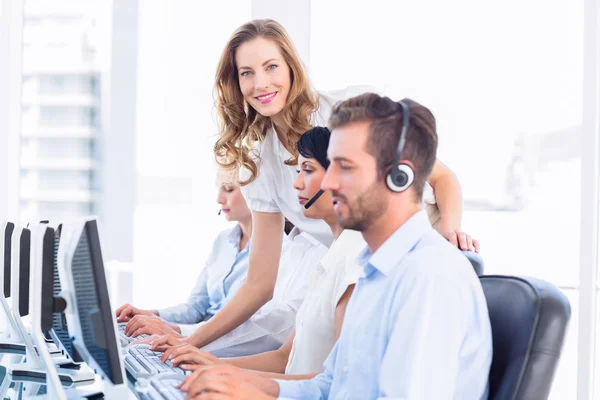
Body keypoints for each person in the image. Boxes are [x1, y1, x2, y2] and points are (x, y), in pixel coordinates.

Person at [167, 18, 477, 353]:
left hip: (417, 254)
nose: (261, 83)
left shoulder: (346, 112)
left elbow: (442, 177)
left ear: (291, 67)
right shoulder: (260, 164)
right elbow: (259, 284)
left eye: (271, 66)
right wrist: (188, 343)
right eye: (247, 73)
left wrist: (450, 233)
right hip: (357, 274)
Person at [179, 94, 492, 399]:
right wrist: (241, 385)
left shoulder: (427, 277)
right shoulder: (373, 271)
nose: (328, 184)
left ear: (399, 176)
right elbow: (330, 386)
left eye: (344, 167)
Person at [116, 168, 327, 357]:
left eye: (228, 189)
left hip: (221, 345)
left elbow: (272, 326)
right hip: (208, 342)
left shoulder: (286, 250)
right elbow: (197, 305)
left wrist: (182, 336)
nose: (219, 198)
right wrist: (156, 318)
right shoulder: (224, 243)